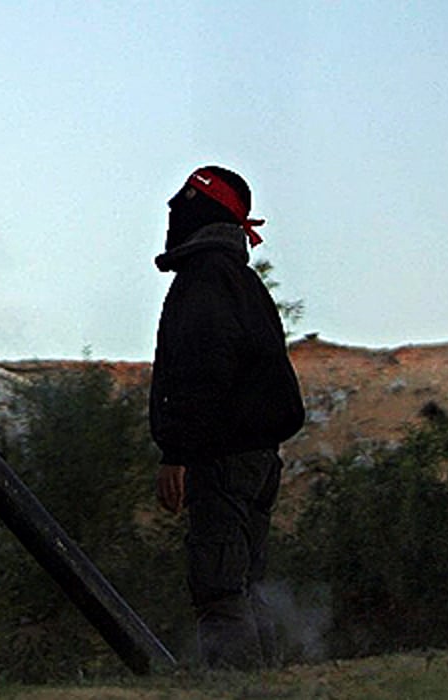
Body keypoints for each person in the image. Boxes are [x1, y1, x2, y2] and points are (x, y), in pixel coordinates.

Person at [149, 165, 305, 670]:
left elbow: (203, 372)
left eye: (186, 204)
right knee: (247, 583)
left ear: (203, 214)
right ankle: (264, 683)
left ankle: (235, 685)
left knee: (219, 587)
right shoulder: (240, 280)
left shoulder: (205, 280)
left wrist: (179, 452)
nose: (174, 213)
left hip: (221, 458)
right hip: (256, 459)